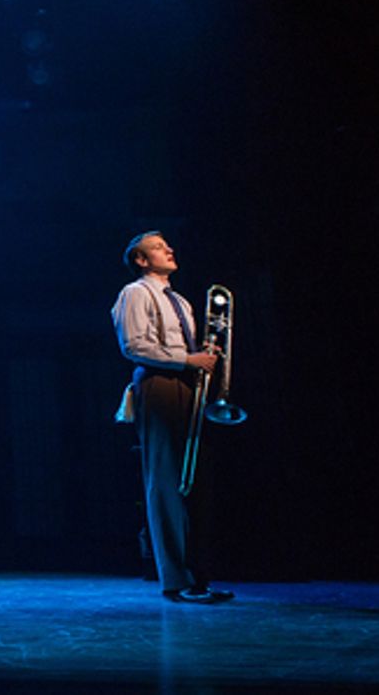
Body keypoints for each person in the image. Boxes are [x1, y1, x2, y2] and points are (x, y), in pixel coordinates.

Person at [111, 231, 233, 605]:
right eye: (160, 247)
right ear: (142, 260)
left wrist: (205, 354)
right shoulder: (135, 292)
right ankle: (174, 580)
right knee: (165, 480)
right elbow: (134, 345)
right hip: (159, 384)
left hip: (186, 385)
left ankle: (198, 575)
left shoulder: (179, 300)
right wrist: (186, 360)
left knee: (192, 481)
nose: (170, 250)